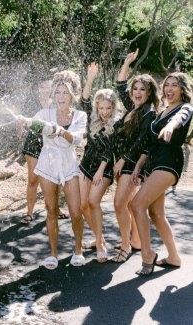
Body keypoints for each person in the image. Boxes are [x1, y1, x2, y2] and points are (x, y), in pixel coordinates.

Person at [131, 72, 193, 276]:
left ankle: (147, 255)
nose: (169, 88)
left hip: (169, 161)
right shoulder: (162, 111)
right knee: (156, 214)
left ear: (182, 89)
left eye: (174, 85)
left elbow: (180, 119)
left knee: (137, 204)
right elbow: (149, 145)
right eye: (167, 85)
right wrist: (139, 166)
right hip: (153, 164)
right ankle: (174, 257)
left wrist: (170, 126)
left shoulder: (184, 108)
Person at [30, 70, 87, 269]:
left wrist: (60, 131)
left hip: (69, 164)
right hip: (48, 162)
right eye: (58, 92)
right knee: (51, 210)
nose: (61, 97)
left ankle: (78, 250)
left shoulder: (80, 115)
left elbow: (77, 139)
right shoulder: (45, 114)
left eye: (66, 93)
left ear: (73, 95)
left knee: (76, 211)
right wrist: (24, 121)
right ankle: (53, 254)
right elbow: (33, 124)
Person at [112, 49, 159, 262]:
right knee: (129, 205)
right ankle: (136, 241)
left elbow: (142, 141)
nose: (137, 92)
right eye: (136, 88)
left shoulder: (149, 112)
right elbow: (120, 86)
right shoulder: (134, 107)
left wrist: (123, 159)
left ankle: (125, 246)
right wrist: (127, 64)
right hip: (124, 162)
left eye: (143, 89)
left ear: (149, 93)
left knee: (119, 204)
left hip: (132, 164)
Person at [79, 63, 120, 262]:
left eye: (108, 108)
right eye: (101, 107)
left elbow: (109, 150)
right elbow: (84, 100)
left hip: (103, 170)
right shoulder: (91, 119)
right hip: (85, 166)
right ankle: (98, 237)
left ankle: (101, 243)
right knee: (82, 205)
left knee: (93, 202)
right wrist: (90, 79)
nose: (105, 111)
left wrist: (100, 171)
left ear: (113, 107)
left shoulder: (115, 125)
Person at [20, 78, 68, 224]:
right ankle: (29, 213)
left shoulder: (57, 104)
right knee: (33, 179)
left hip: (53, 144)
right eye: (42, 87)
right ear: (38, 89)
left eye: (48, 87)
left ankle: (55, 208)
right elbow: (25, 122)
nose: (45, 89)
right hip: (33, 145)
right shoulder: (30, 104)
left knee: (56, 179)